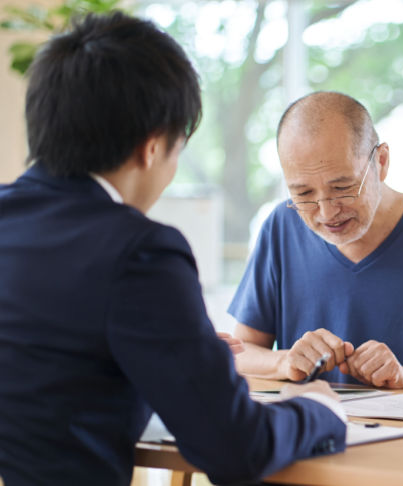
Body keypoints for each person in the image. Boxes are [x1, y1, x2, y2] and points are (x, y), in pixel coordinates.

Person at [0, 12, 345, 486]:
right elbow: (236, 448)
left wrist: (175, 355)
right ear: (152, 146)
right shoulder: (138, 251)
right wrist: (320, 410)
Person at [226, 91, 403, 392]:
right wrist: (284, 362)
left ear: (381, 162)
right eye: (303, 194)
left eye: (343, 188)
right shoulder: (281, 226)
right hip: (313, 432)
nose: (327, 212)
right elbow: (240, 354)